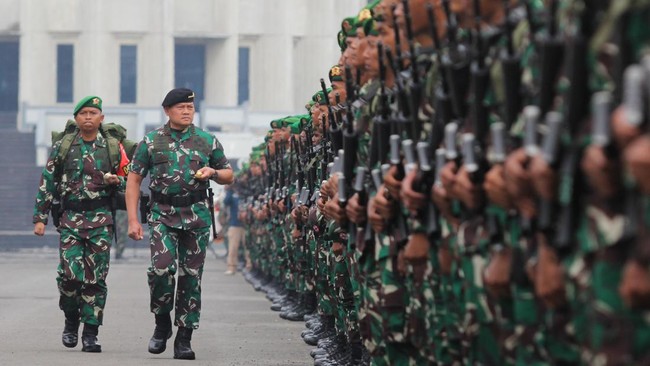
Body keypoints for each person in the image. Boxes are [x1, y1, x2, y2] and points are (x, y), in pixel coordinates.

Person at [125, 87, 234, 360]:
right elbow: (134, 180)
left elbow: (229, 174)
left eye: (190, 108)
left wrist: (213, 172)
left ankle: (184, 337)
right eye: (180, 108)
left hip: (196, 216)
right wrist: (133, 220)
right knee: (161, 270)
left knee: (191, 278)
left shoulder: (207, 140)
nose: (186, 112)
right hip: (162, 214)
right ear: (167, 111)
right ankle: (162, 323)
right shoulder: (150, 142)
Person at [33, 95, 124, 353]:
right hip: (70, 221)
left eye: (92, 113)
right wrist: (40, 218)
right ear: (76, 118)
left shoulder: (113, 147)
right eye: (83, 113)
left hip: (101, 221)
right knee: (70, 277)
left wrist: (116, 181)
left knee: (96, 279)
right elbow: (47, 181)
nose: (87, 117)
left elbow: (131, 179)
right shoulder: (64, 146)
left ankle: (91, 333)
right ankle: (71, 320)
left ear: (101, 118)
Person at [223, 184, 245, 275]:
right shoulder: (232, 194)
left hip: (246, 224)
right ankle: (231, 267)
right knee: (232, 248)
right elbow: (226, 202)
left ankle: (249, 267)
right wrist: (229, 190)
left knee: (248, 247)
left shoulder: (247, 192)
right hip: (235, 224)